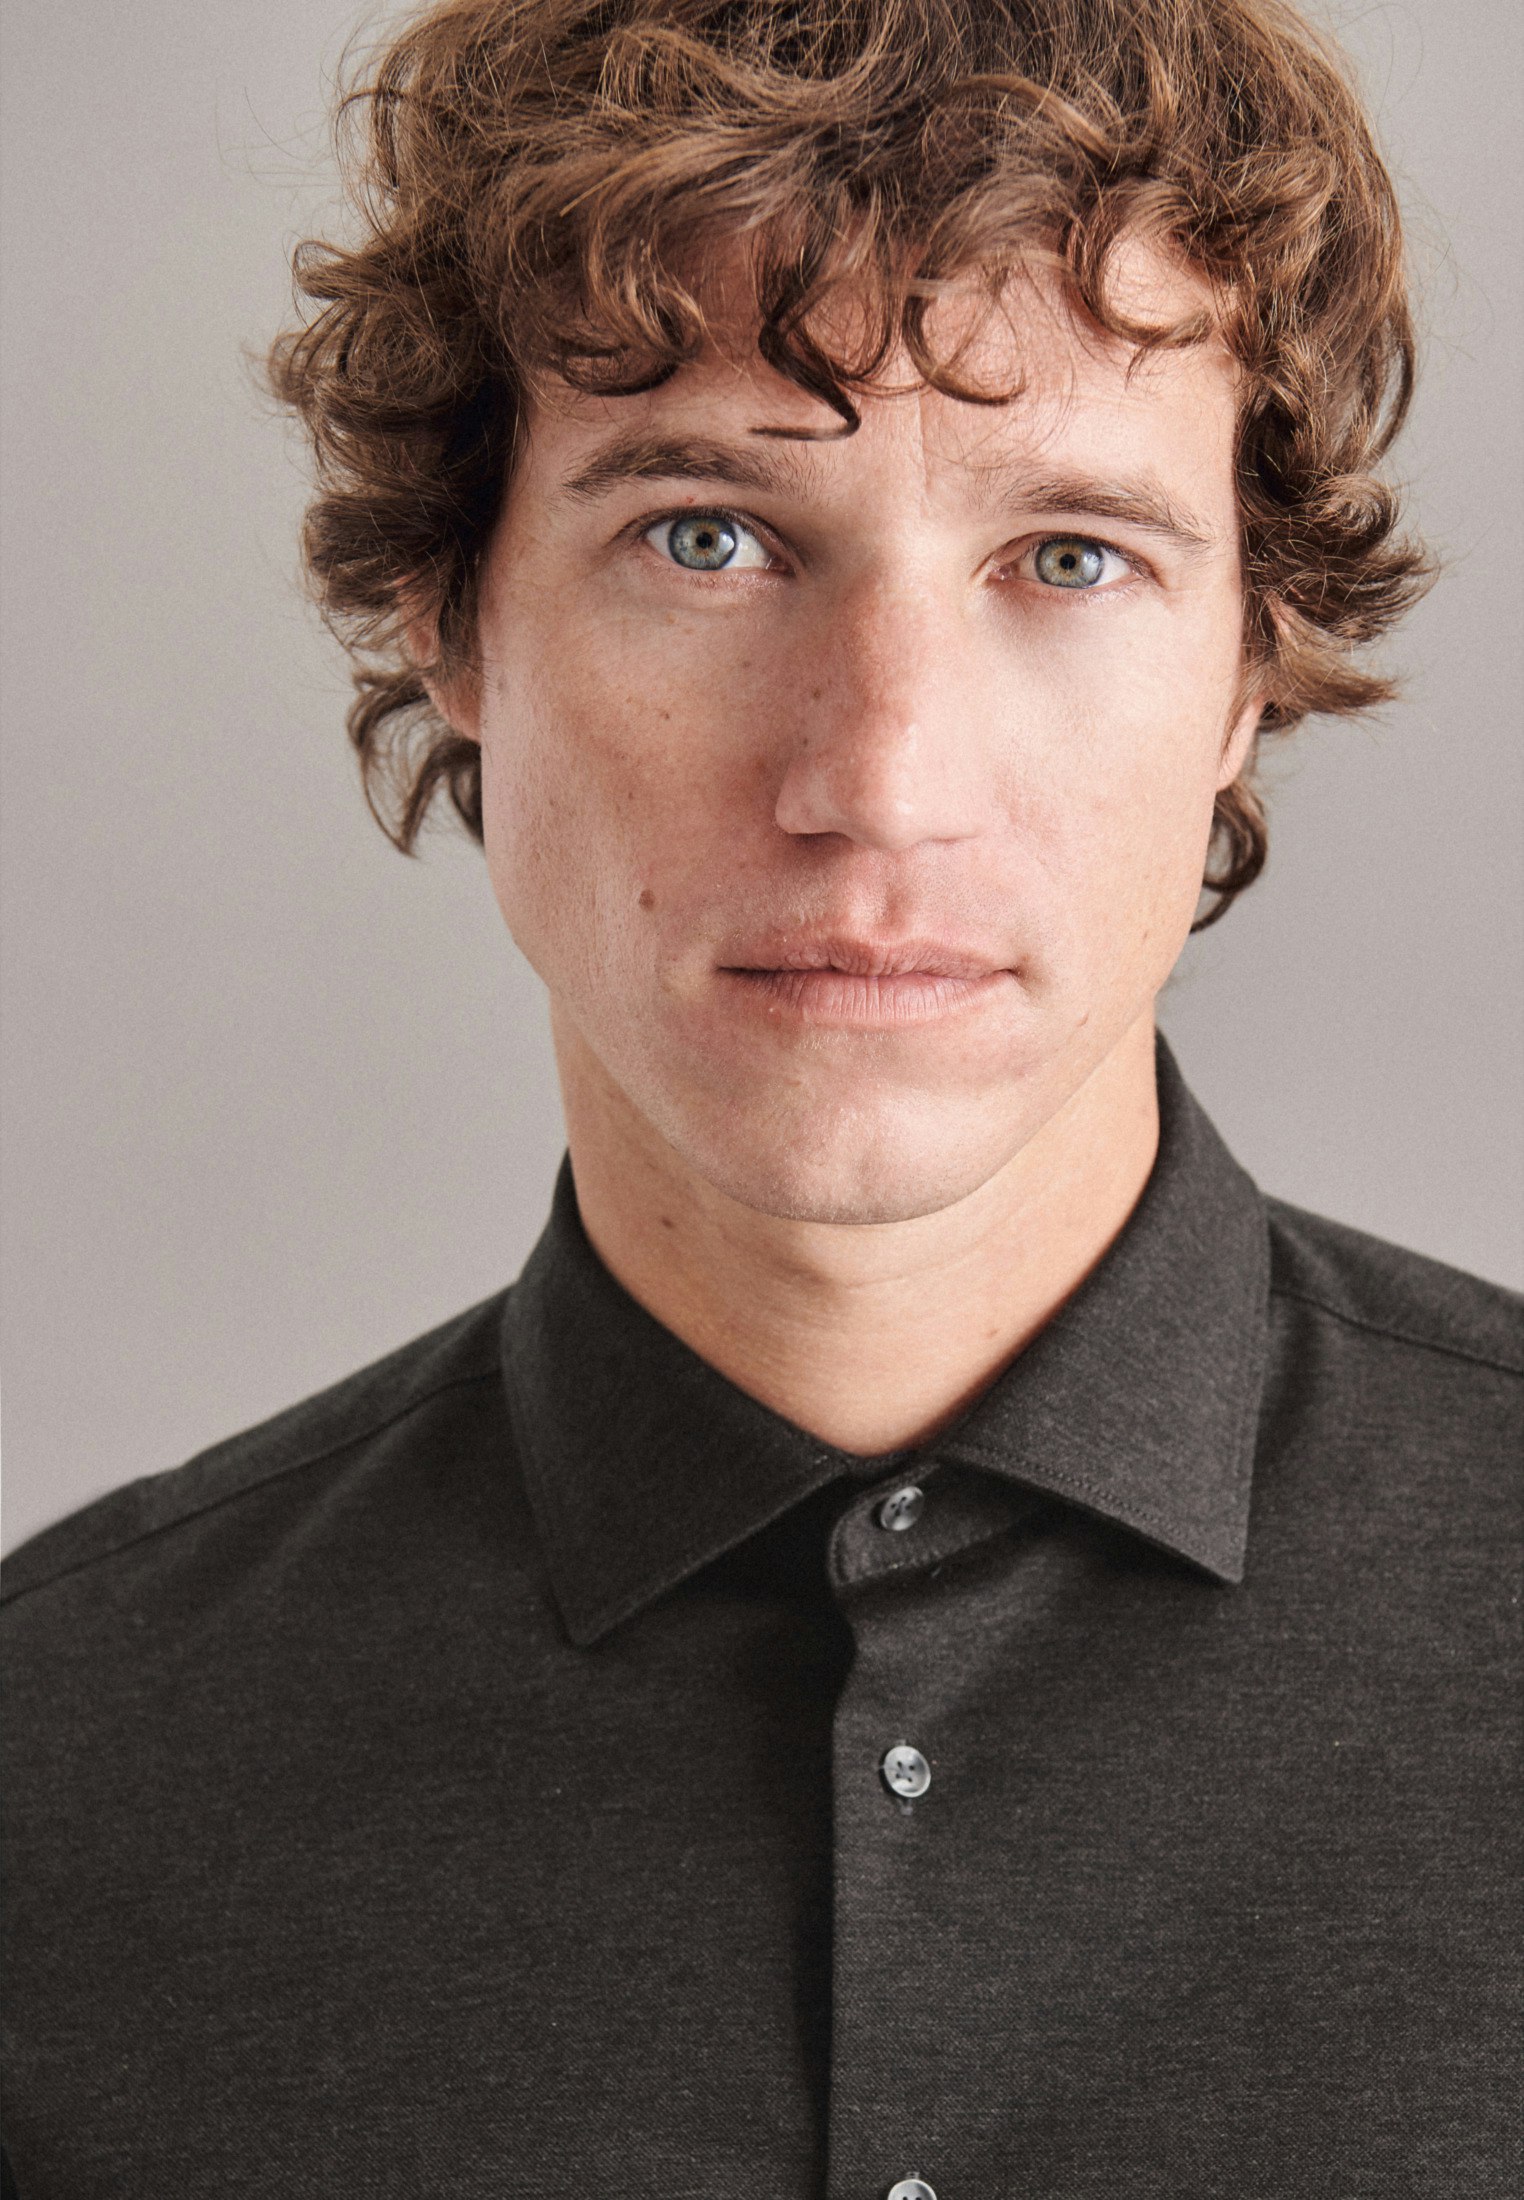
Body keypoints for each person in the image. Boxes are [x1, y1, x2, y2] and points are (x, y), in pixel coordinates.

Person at [2, 0, 1518, 2191]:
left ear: (1245, 676)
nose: (880, 777)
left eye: (1070, 556)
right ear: (450, 615)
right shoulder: (55, 1778)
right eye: (708, 535)